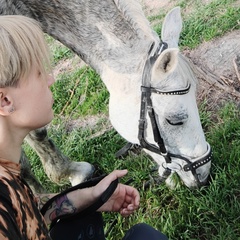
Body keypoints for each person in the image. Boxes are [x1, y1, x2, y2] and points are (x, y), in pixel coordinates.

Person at [0, 15, 168, 240]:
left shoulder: (8, 173)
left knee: (89, 217)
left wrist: (89, 195)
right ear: (5, 101)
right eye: (39, 73)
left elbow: (27, 210)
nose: (50, 79)